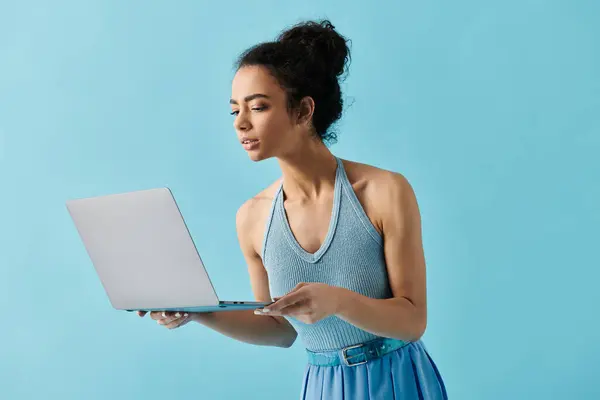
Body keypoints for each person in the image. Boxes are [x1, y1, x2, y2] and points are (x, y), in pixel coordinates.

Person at [138, 19, 448, 399]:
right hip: (323, 387)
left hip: (398, 380)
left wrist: (338, 300)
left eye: (258, 107)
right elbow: (281, 329)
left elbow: (413, 320)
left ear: (303, 111)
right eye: (234, 111)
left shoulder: (384, 192)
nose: (242, 123)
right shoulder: (252, 218)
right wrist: (197, 312)